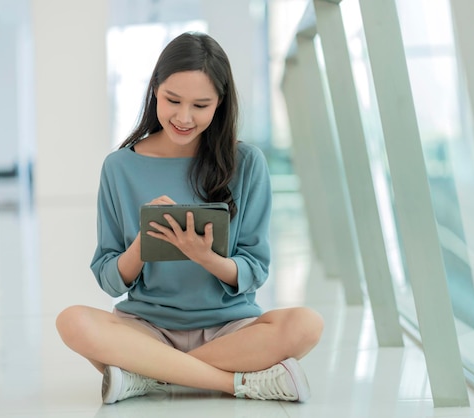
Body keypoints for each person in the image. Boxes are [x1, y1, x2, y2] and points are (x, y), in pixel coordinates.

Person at [56, 31, 324, 404]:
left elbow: (255, 269)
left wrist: (205, 257)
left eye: (200, 105)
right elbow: (109, 277)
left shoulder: (247, 164)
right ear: (154, 90)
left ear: (220, 103)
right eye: (173, 100)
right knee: (72, 321)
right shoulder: (119, 167)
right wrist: (143, 243)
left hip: (229, 329)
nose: (184, 117)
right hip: (147, 327)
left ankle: (147, 375)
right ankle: (237, 383)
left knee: (307, 325)